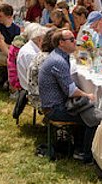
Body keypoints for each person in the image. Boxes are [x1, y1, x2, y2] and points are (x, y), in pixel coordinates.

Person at [38, 29, 97, 161]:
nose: (75, 41)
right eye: (71, 39)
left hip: (56, 104)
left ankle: (79, 147)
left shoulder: (59, 56)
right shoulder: (58, 61)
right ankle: (84, 154)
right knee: (94, 118)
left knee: (89, 111)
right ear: (61, 43)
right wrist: (87, 95)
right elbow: (71, 91)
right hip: (54, 109)